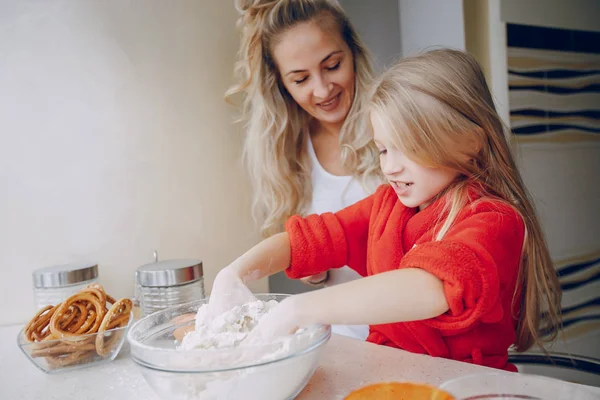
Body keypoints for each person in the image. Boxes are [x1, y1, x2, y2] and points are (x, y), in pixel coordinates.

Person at [209, 49, 562, 371]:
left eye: (407, 147)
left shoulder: (494, 221)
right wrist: (234, 273)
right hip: (387, 375)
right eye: (382, 150)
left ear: (469, 142)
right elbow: (309, 239)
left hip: (470, 386)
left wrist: (299, 309)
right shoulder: (385, 206)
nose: (390, 167)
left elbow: (431, 288)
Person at [225, 0, 383, 339]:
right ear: (281, 85)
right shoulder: (286, 156)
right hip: (346, 341)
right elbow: (315, 254)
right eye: (300, 79)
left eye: (333, 65)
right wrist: (314, 270)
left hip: (417, 337)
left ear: (354, 52)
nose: (323, 90)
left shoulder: (397, 126)